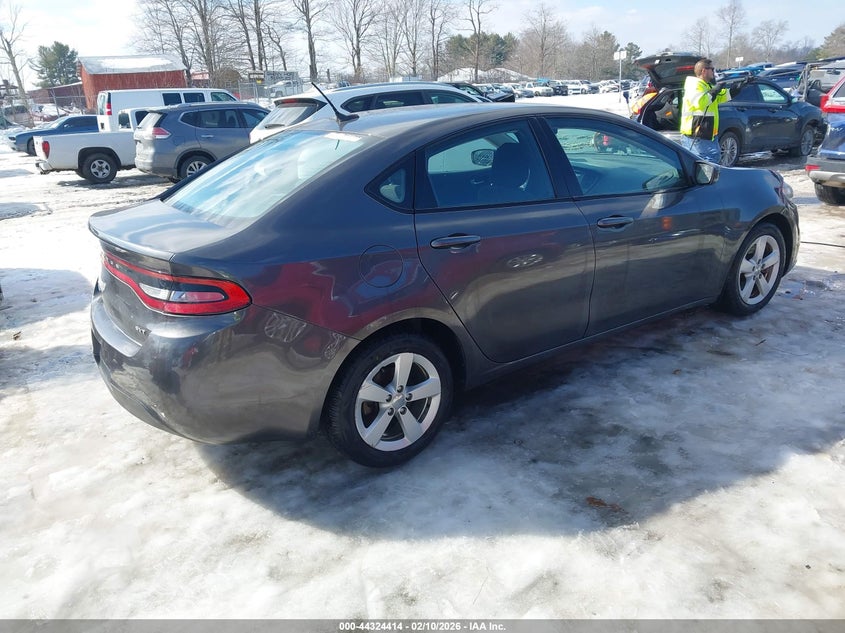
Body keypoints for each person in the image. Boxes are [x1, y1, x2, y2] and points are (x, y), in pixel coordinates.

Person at [680, 58, 731, 163]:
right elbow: (700, 103)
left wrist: (737, 89)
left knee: (709, 161)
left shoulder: (705, 86)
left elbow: (719, 98)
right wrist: (715, 90)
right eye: (712, 69)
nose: (714, 71)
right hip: (698, 135)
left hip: (706, 133)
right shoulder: (694, 85)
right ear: (704, 71)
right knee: (708, 163)